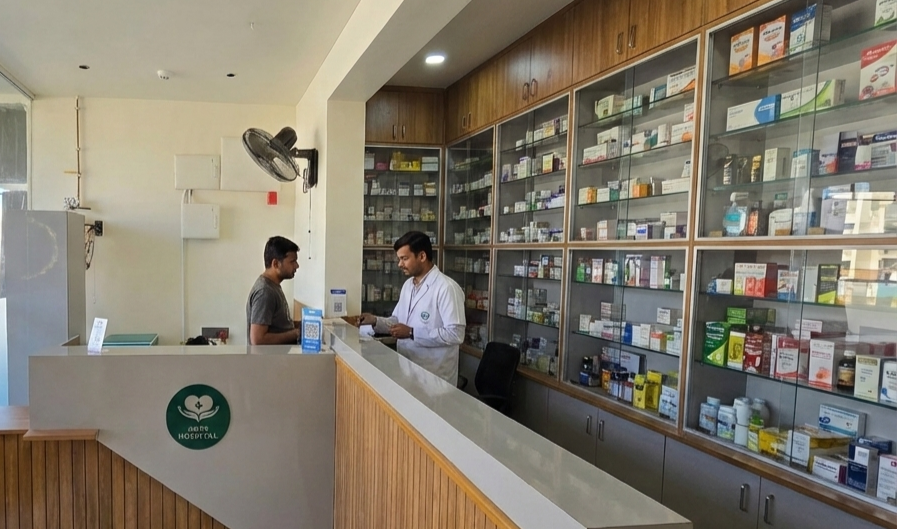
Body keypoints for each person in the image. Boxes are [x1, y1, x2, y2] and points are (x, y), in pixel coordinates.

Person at [355, 231, 466, 385]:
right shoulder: (408, 285)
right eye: (399, 259)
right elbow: (397, 321)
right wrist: (374, 321)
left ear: (422, 256)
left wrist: (412, 332)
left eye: (404, 258)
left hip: (435, 377)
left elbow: (456, 334)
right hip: (408, 370)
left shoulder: (447, 288)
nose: (400, 264)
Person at [246, 236, 301, 345]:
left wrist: (301, 325)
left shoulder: (273, 287)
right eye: (292, 261)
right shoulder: (265, 292)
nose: (297, 266)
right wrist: (295, 333)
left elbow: (278, 327)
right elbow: (258, 340)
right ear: (275, 264)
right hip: (269, 362)